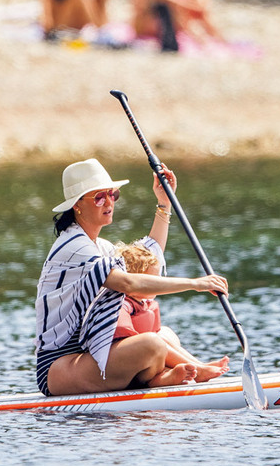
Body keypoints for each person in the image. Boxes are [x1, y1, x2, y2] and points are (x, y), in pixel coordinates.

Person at [35, 158, 229, 396]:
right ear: (77, 205)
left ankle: (171, 376)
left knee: (165, 335)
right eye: (99, 197)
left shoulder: (100, 246)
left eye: (112, 194)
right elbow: (128, 282)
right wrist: (195, 283)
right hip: (59, 367)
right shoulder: (74, 245)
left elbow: (145, 261)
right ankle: (188, 373)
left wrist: (164, 204)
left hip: (91, 355)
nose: (108, 202)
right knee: (152, 344)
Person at [114, 241, 229, 386]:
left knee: (165, 334)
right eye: (153, 280)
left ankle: (195, 365)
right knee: (157, 342)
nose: (158, 284)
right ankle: (195, 371)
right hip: (137, 366)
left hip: (153, 362)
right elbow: (124, 336)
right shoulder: (123, 304)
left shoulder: (145, 304)